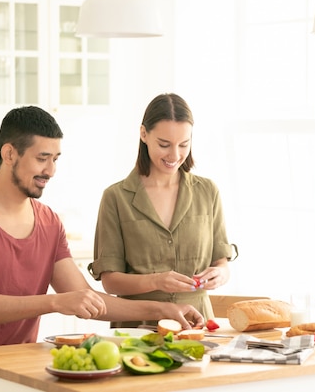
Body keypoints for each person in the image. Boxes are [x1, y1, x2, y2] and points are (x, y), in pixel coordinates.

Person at [0, 106, 203, 392]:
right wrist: (53, 302)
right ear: (9, 153)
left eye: (56, 159)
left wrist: (161, 309)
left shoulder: (49, 222)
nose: (50, 170)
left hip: (15, 366)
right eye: (42, 158)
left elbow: (88, 300)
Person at [89, 93, 233, 328]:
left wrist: (220, 274)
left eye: (184, 145)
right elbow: (111, 282)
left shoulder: (207, 192)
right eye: (164, 145)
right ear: (144, 134)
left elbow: (222, 262)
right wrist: (157, 281)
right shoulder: (116, 198)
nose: (174, 156)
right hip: (137, 327)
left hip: (196, 324)